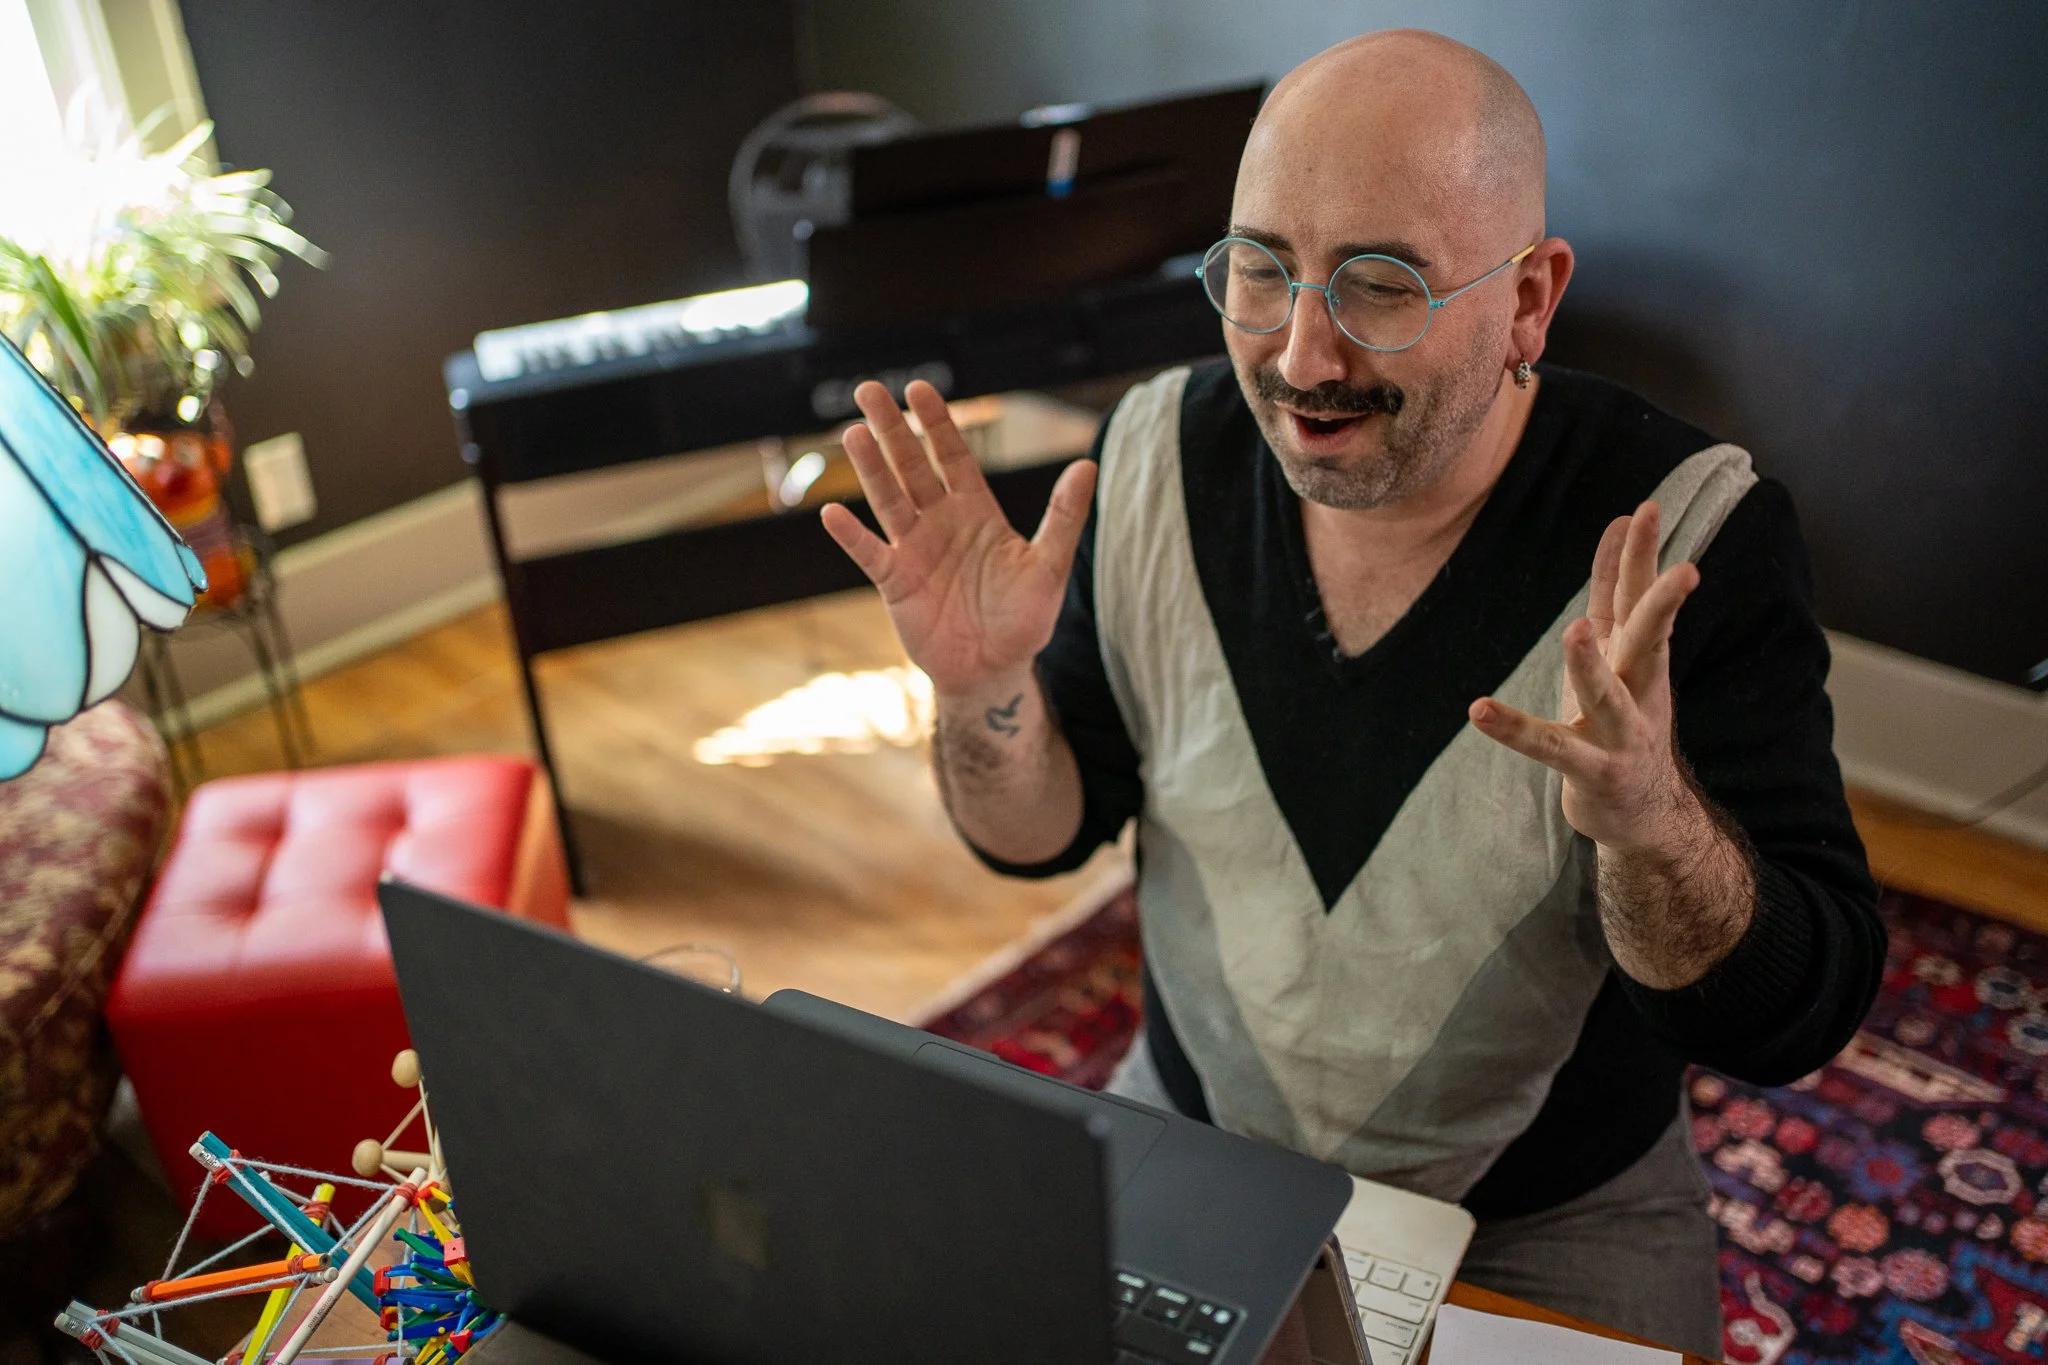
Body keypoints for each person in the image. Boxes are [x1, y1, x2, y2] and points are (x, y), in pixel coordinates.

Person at [821, 29, 1882, 1357]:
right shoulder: (1154, 456)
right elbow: (1036, 832)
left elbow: (1789, 1013)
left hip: (1549, 1222)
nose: (1305, 356)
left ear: (1530, 300)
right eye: (1262, 270)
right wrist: (987, 692)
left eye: (1383, 286)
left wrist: (1654, 824)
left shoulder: (1693, 537)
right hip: (1193, 1148)